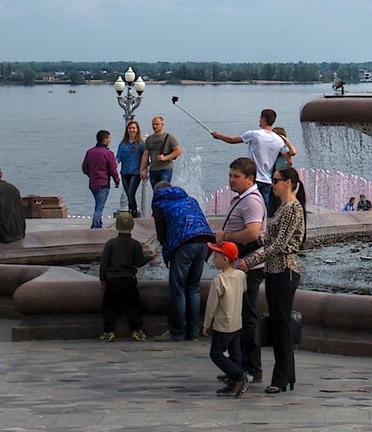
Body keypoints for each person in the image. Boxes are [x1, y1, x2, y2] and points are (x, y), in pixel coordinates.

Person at [238, 166, 306, 394]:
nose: (273, 184)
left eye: (276, 181)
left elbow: (279, 244)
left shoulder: (292, 209)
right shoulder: (282, 207)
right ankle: (287, 375)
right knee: (279, 323)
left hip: (285, 269)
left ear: (288, 183)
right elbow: (270, 241)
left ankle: (281, 377)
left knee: (282, 324)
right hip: (275, 270)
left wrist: (250, 261)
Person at [217, 157, 267, 383]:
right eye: (230, 175)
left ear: (250, 179)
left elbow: (253, 233)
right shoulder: (244, 199)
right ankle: (238, 367)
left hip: (249, 266)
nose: (231, 180)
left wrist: (226, 237)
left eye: (236, 177)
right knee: (239, 317)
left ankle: (251, 368)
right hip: (241, 266)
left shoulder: (252, 202)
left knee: (247, 317)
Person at [151, 180, 215, 341]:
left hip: (184, 243)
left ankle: (176, 332)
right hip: (204, 241)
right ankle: (193, 333)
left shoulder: (159, 202)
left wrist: (167, 250)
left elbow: (161, 231)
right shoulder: (189, 199)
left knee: (177, 289)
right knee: (193, 287)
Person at [211, 109, 290, 213]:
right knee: (264, 210)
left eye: (260, 118)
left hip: (252, 179)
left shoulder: (254, 134)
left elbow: (232, 140)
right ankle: (263, 227)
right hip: (267, 180)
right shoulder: (278, 140)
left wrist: (218, 135)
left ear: (263, 118)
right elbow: (289, 159)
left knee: (247, 205)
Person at [204, 240, 248, 397]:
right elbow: (243, 290)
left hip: (222, 324)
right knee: (235, 354)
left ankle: (239, 376)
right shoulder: (241, 275)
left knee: (216, 354)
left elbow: (212, 305)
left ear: (225, 259)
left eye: (216, 256)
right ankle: (233, 383)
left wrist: (206, 324)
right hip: (237, 322)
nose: (213, 259)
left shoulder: (219, 280)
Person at [98, 212, 148, 342]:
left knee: (109, 306)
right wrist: (149, 258)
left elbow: (104, 263)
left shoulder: (110, 244)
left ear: (116, 227)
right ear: (132, 227)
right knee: (133, 305)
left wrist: (102, 278)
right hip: (129, 279)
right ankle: (136, 331)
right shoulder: (135, 244)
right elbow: (138, 263)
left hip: (113, 280)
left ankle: (109, 331)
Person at [82, 130, 120, 229]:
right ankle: (95, 226)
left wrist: (91, 175)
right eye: (109, 138)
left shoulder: (90, 152)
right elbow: (113, 169)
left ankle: (98, 223)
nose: (110, 140)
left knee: (98, 204)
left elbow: (84, 168)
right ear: (105, 139)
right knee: (99, 207)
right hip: (103, 183)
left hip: (93, 182)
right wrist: (117, 180)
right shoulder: (108, 153)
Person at [140, 116, 181, 190]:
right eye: (153, 124)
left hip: (165, 169)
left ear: (162, 125)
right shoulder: (149, 139)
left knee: (164, 191)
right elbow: (145, 155)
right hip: (153, 170)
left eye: (157, 124)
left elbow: (178, 151)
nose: (154, 126)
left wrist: (165, 158)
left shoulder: (169, 137)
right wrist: (142, 169)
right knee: (156, 192)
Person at [117, 120, 146, 218]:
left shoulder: (141, 144)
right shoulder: (123, 143)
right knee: (130, 195)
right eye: (130, 128)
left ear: (137, 130)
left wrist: (144, 170)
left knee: (130, 193)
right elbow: (118, 156)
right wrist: (114, 163)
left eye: (133, 128)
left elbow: (145, 158)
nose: (131, 130)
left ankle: (133, 214)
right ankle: (132, 213)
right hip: (125, 172)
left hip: (135, 172)